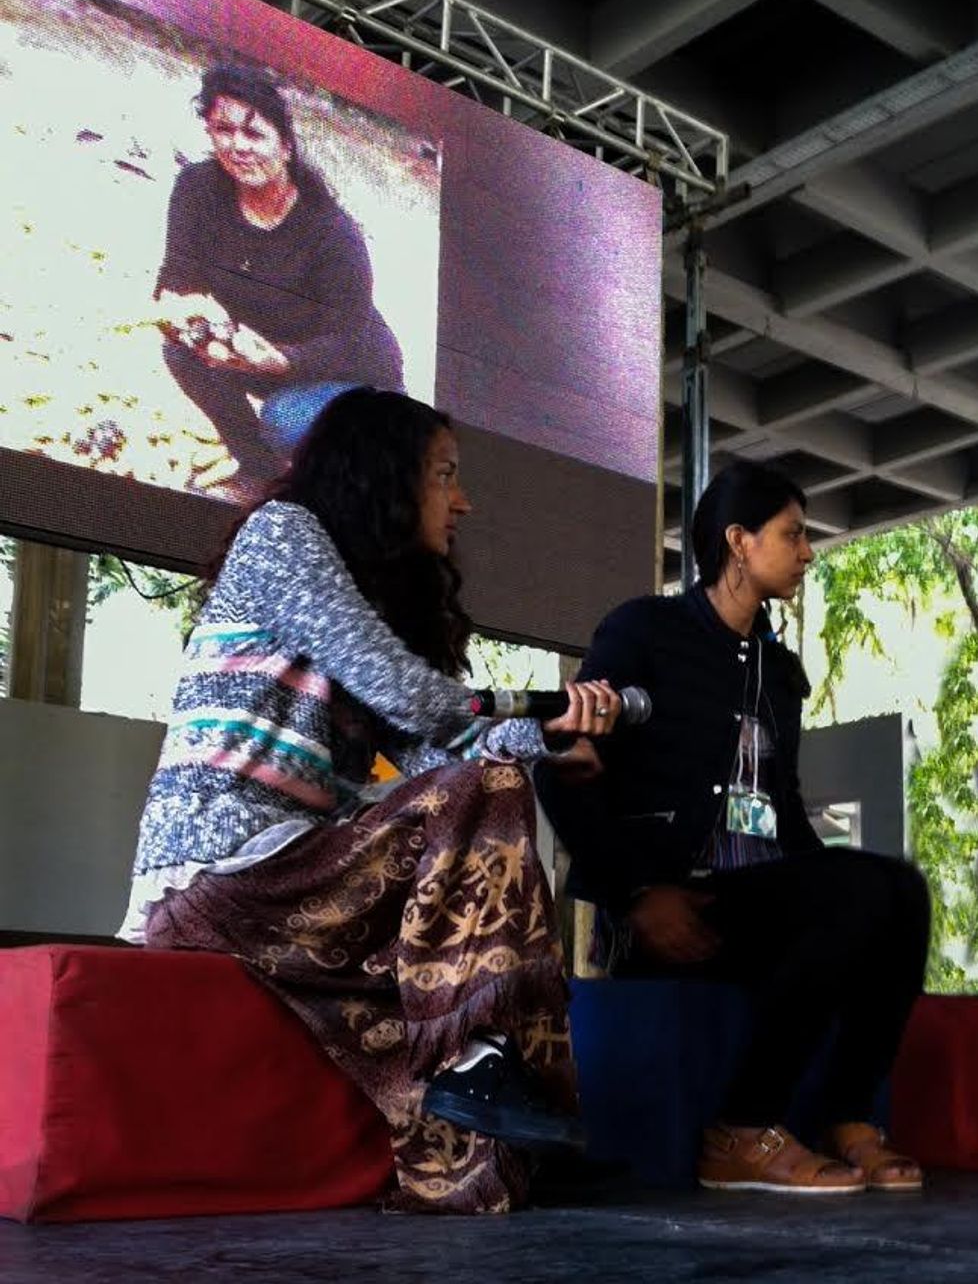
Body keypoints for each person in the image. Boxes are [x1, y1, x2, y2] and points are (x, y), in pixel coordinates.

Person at [120, 386, 621, 1214]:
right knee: (488, 790)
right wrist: (534, 715)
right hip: (220, 882)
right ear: (384, 476)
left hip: (302, 889)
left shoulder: (368, 607)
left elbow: (431, 751)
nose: (464, 500)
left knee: (475, 1165)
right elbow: (412, 698)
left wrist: (557, 736)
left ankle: (514, 1121)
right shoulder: (281, 535)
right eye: (444, 474)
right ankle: (476, 1064)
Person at [536, 460, 928, 1195]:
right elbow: (565, 765)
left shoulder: (780, 674)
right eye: (793, 533)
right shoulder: (644, 631)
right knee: (863, 892)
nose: (808, 551)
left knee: (899, 890)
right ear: (739, 541)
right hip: (674, 904)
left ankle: (849, 1119)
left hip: (757, 902)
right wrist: (638, 895)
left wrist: (848, 892)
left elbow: (784, 809)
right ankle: (743, 1130)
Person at [155, 63, 405, 494]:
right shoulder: (196, 189)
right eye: (223, 129)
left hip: (349, 372)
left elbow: (347, 337)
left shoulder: (331, 232)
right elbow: (177, 274)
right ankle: (259, 469)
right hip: (258, 350)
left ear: (285, 145)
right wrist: (178, 315)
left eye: (254, 134)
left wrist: (283, 361)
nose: (237, 146)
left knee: (283, 418)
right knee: (180, 352)